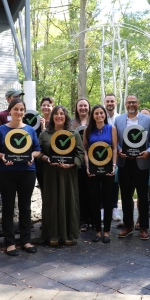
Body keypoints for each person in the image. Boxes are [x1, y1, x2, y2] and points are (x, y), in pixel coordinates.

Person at [0, 98, 41, 256]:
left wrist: (32, 157)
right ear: (10, 111)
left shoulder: (30, 130)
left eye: (22, 110)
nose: (19, 112)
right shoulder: (1, 130)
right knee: (8, 208)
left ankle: (26, 241)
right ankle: (10, 243)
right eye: (16, 109)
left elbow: (37, 150)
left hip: (27, 172)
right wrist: (4, 156)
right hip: (7, 173)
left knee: (25, 207)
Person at [38, 105, 84, 245]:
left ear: (66, 117)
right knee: (51, 202)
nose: (59, 116)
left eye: (62, 114)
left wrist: (72, 163)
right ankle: (53, 235)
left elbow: (80, 153)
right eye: (56, 114)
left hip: (68, 173)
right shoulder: (44, 134)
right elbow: (38, 152)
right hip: (51, 173)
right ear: (52, 117)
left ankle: (69, 235)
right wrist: (46, 159)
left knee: (69, 201)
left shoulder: (74, 133)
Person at [115, 95, 150, 240]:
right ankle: (128, 226)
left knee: (143, 196)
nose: (131, 104)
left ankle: (144, 227)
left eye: (134, 102)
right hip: (124, 163)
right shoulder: (118, 120)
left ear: (138, 103)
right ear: (125, 104)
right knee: (126, 196)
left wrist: (149, 152)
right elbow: (116, 141)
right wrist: (119, 149)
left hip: (141, 162)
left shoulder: (148, 120)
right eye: (128, 102)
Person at [83, 105, 118, 243]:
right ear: (93, 115)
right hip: (92, 169)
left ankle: (107, 231)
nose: (99, 115)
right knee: (95, 200)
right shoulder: (88, 130)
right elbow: (85, 150)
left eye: (101, 113)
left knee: (108, 200)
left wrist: (114, 165)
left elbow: (115, 148)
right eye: (96, 113)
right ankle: (98, 230)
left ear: (105, 115)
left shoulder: (112, 129)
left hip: (108, 168)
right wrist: (87, 166)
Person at [72, 98, 92, 232]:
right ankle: (82, 220)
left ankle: (93, 219)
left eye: (85, 106)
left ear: (89, 107)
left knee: (92, 192)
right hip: (78, 163)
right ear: (77, 108)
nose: (83, 108)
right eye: (81, 106)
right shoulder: (71, 123)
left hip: (94, 161)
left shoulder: (94, 121)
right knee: (80, 192)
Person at [103, 93, 121, 222]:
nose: (110, 103)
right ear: (105, 103)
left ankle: (115, 208)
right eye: (107, 101)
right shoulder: (100, 117)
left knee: (114, 182)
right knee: (102, 183)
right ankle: (103, 209)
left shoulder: (120, 118)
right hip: (101, 154)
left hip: (117, 153)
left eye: (112, 101)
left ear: (116, 103)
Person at [36, 96, 54, 198]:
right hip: (40, 160)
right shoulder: (36, 121)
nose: (46, 107)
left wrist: (44, 128)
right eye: (44, 105)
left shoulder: (57, 121)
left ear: (52, 107)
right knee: (43, 188)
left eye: (48, 105)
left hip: (53, 158)